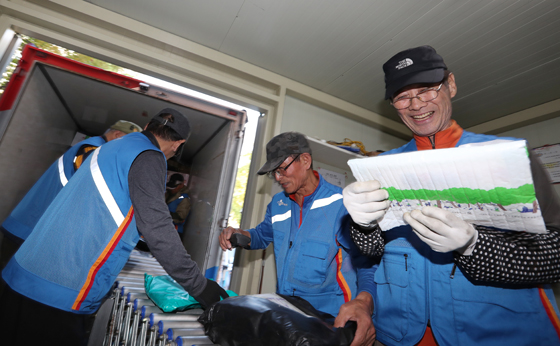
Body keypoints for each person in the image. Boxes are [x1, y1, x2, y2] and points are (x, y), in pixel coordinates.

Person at [343, 45, 560, 346]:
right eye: (403, 96)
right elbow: (370, 254)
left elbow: (556, 254)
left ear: (451, 85)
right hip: (398, 335)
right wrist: (360, 225)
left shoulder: (509, 158)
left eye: (427, 89)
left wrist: (474, 246)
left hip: (498, 336)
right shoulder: (380, 167)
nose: (416, 104)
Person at [0, 108, 228, 346]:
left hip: (24, 271)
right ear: (178, 143)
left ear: (148, 126)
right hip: (61, 289)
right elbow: (158, 229)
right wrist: (200, 286)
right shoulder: (150, 156)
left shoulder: (109, 147)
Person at [219, 132, 377, 346]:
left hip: (329, 321)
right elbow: (261, 236)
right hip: (288, 312)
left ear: (305, 160)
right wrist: (239, 235)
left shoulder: (342, 205)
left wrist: (364, 300)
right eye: (274, 172)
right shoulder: (278, 203)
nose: (277, 177)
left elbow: (368, 262)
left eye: (282, 168)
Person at [0, 120, 142, 270]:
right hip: (30, 228)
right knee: (11, 285)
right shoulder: (91, 150)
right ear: (117, 135)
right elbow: (92, 190)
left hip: (30, 227)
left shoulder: (92, 148)